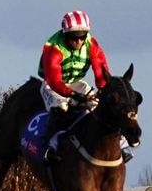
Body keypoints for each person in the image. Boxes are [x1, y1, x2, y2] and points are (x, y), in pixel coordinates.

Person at [38, 10, 109, 163]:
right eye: (73, 37)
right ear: (65, 34)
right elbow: (54, 80)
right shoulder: (53, 47)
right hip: (52, 85)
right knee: (61, 107)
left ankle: (119, 143)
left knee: (98, 104)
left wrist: (104, 88)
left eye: (82, 36)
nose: (78, 41)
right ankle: (48, 148)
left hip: (76, 83)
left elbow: (101, 69)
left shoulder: (90, 43)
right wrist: (71, 94)